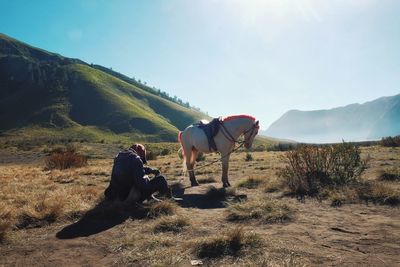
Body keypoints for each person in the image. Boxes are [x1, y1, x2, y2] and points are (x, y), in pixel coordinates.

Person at [104, 144, 172, 203]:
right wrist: (148, 179)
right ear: (141, 154)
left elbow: (130, 170)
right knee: (161, 179)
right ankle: (170, 200)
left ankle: (151, 199)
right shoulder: (136, 159)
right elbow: (142, 185)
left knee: (144, 178)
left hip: (115, 195)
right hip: (128, 197)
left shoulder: (119, 157)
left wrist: (149, 170)